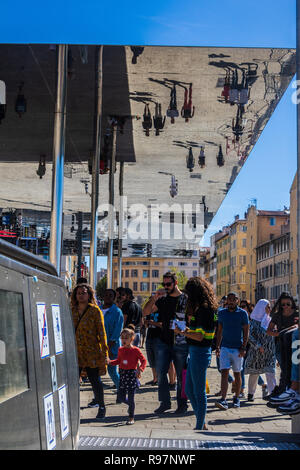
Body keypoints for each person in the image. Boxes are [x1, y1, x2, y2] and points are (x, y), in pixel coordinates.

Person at [142, 272, 188, 414]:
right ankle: (165, 403)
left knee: (181, 375)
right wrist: (153, 298)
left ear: (176, 283)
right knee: (161, 374)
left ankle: (182, 404)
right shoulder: (162, 300)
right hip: (163, 341)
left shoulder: (185, 299)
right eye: (164, 284)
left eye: (169, 284)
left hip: (181, 342)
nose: (166, 287)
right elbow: (145, 312)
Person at [175, 277, 217, 430]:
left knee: (198, 391)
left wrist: (182, 332)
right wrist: (186, 330)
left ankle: (199, 425)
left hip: (200, 352)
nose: (186, 296)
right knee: (188, 390)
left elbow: (200, 336)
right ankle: (201, 420)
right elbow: (200, 333)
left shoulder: (204, 310)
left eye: (188, 292)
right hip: (196, 352)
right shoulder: (203, 308)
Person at [71, 283, 108, 420]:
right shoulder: (71, 310)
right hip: (75, 352)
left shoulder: (94, 310)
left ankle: (102, 406)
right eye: (79, 293)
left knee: (95, 380)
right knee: (73, 381)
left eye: (84, 292)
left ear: (89, 295)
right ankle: (72, 407)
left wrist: (104, 353)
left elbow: (102, 332)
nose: (81, 295)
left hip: (92, 351)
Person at [215, 292, 249, 410]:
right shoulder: (221, 313)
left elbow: (246, 331)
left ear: (237, 301)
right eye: (229, 299)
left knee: (237, 373)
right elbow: (219, 330)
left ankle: (236, 397)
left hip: (237, 348)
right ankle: (223, 399)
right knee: (224, 372)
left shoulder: (243, 313)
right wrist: (217, 346)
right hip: (224, 347)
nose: (230, 301)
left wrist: (244, 347)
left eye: (233, 299)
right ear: (226, 301)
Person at [106, 328, 147, 425]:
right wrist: (110, 362)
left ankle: (131, 417)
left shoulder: (136, 350)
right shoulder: (120, 349)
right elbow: (119, 361)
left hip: (132, 375)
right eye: (122, 337)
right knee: (121, 397)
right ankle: (131, 406)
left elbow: (144, 360)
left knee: (131, 397)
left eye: (126, 338)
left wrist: (140, 369)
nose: (123, 340)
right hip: (123, 375)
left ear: (132, 339)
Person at [266, 292, 299, 399]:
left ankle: (288, 391)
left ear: (292, 303)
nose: (285, 306)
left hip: (295, 345)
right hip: (280, 344)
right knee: (285, 369)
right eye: (283, 304)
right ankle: (284, 391)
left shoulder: (297, 314)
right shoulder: (277, 315)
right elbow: (269, 331)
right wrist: (280, 334)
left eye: (288, 304)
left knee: (293, 368)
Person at [244, 299, 276, 401]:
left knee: (271, 372)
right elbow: (250, 336)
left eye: (270, 307)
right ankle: (250, 394)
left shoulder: (271, 320)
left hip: (270, 352)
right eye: (268, 307)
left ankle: (273, 394)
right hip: (257, 352)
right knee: (254, 373)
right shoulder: (253, 322)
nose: (269, 309)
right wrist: (258, 346)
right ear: (262, 308)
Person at [100, 289, 124, 391]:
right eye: (106, 295)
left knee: (112, 371)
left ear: (114, 298)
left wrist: (108, 346)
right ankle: (97, 395)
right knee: (95, 371)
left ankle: (121, 391)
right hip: (98, 345)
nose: (108, 297)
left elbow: (117, 330)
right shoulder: (98, 309)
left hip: (111, 346)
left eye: (110, 295)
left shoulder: (117, 312)